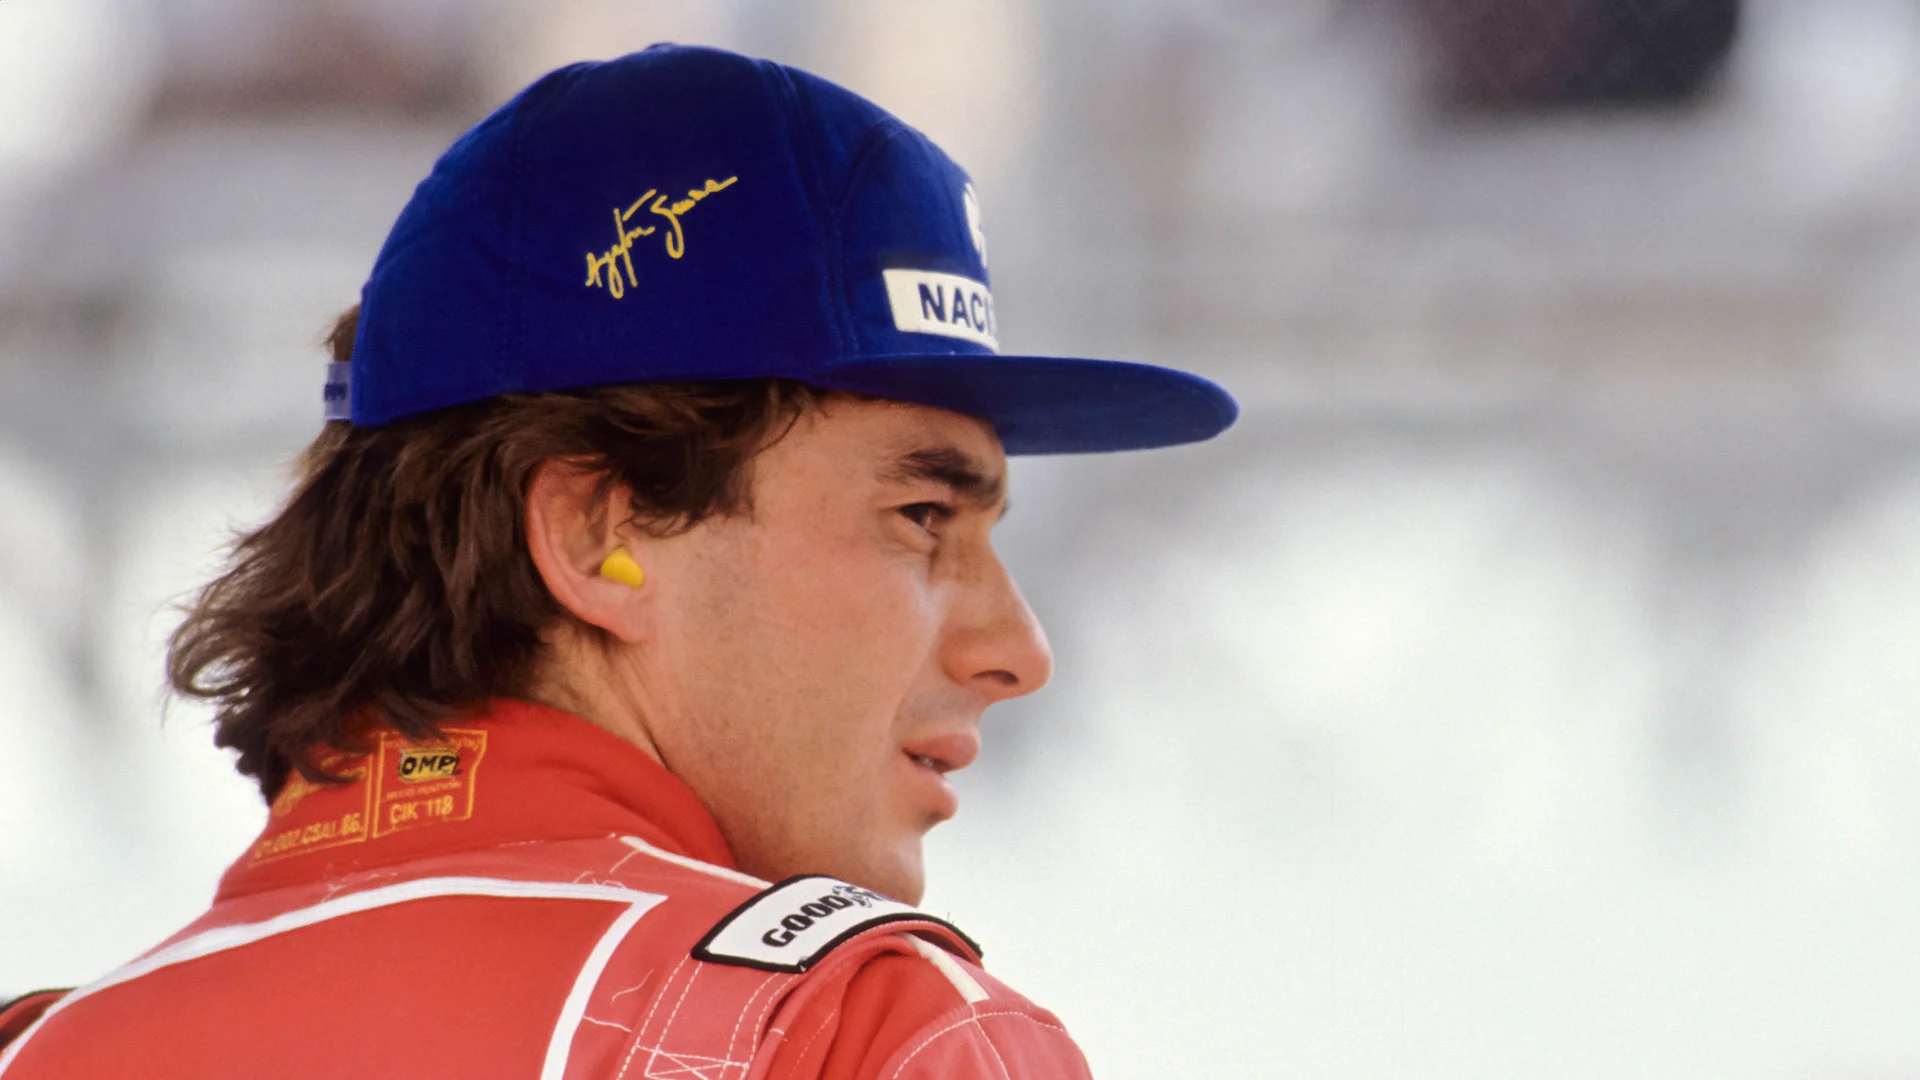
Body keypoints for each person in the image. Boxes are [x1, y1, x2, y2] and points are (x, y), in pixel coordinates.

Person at [0, 44, 1234, 1079]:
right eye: (922, 517)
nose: (1014, 651)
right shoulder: (858, 1035)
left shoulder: (50, 1052)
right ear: (599, 536)